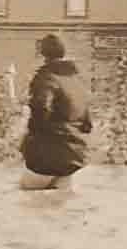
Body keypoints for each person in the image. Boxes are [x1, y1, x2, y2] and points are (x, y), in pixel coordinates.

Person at [20, 34, 93, 191]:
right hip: (74, 158)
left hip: (46, 157)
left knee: (23, 202)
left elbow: (40, 108)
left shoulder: (45, 77)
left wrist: (30, 140)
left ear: (42, 54)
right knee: (61, 207)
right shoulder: (78, 80)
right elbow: (87, 124)